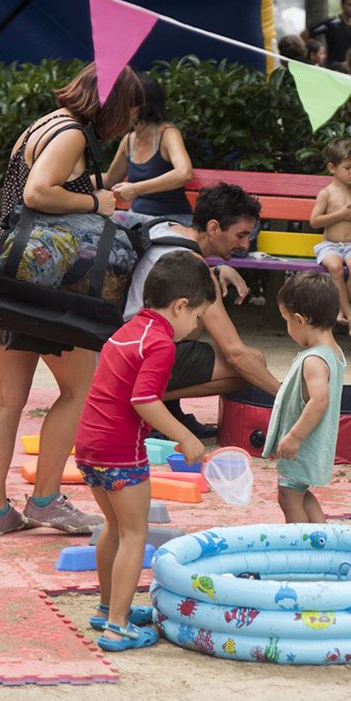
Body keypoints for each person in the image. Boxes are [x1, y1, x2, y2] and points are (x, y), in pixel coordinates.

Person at [0, 63, 144, 538]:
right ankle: (46, 501)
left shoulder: (46, 122)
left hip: (6, 275)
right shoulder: (71, 133)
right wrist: (96, 203)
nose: (130, 121)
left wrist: (92, 189)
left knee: (6, 400)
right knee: (79, 390)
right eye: (129, 110)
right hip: (43, 284)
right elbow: (38, 192)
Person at [73, 251, 212, 651]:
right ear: (181, 306)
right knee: (135, 534)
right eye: (198, 316)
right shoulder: (161, 343)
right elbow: (145, 400)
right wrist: (183, 435)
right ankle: (118, 626)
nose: (196, 325)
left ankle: (105, 608)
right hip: (121, 450)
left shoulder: (127, 329)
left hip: (90, 446)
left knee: (114, 528)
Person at [124, 183, 281, 436]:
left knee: (191, 319)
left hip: (121, 347)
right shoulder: (194, 266)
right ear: (213, 227)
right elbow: (235, 354)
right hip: (137, 362)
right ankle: (142, 403)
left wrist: (215, 269)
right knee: (252, 364)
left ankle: (166, 409)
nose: (244, 244)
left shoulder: (167, 229)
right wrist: (286, 398)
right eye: (240, 235)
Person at [262, 274, 346, 523]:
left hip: (304, 443)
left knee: (288, 497)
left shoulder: (314, 360)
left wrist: (294, 437)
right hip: (312, 441)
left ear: (299, 320)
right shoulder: (334, 352)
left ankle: (301, 548)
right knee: (298, 492)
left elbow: (319, 401)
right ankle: (320, 537)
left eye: (287, 321)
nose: (288, 328)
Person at [102, 76, 193, 229]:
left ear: (140, 106)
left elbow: (184, 173)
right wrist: (71, 180)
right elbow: (110, 179)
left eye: (123, 103)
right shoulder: (129, 140)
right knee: (97, 226)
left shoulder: (168, 133)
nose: (118, 108)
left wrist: (136, 189)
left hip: (171, 221)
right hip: (137, 219)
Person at [308, 137, 351, 335]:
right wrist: (340, 215)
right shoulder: (326, 193)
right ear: (332, 168)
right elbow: (315, 221)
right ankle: (350, 315)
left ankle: (339, 310)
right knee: (334, 266)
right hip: (330, 245)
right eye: (348, 167)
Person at [309, 0, 351, 68]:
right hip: (332, 69)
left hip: (350, 72)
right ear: (342, 5)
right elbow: (307, 33)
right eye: (350, 5)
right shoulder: (330, 23)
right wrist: (311, 56)